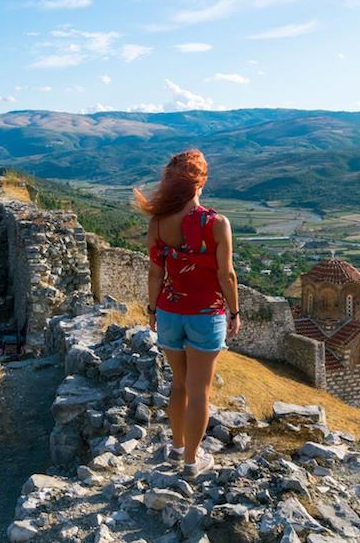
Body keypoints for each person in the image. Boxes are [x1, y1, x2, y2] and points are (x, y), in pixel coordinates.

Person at [135, 149, 241, 478]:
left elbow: (155, 273)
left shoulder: (157, 223)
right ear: (200, 182)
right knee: (199, 392)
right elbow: (227, 276)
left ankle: (178, 446)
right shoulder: (216, 223)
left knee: (178, 385)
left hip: (168, 311)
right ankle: (192, 461)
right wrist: (234, 312)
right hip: (205, 315)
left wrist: (152, 309)